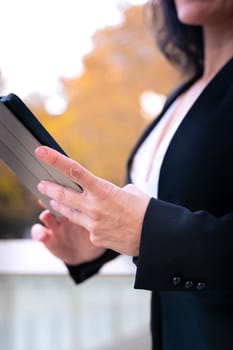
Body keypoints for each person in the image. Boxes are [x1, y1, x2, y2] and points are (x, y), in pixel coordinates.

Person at [31, 0, 233, 349]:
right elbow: (174, 208)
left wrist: (148, 234)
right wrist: (96, 242)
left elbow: (161, 227)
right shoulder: (184, 94)